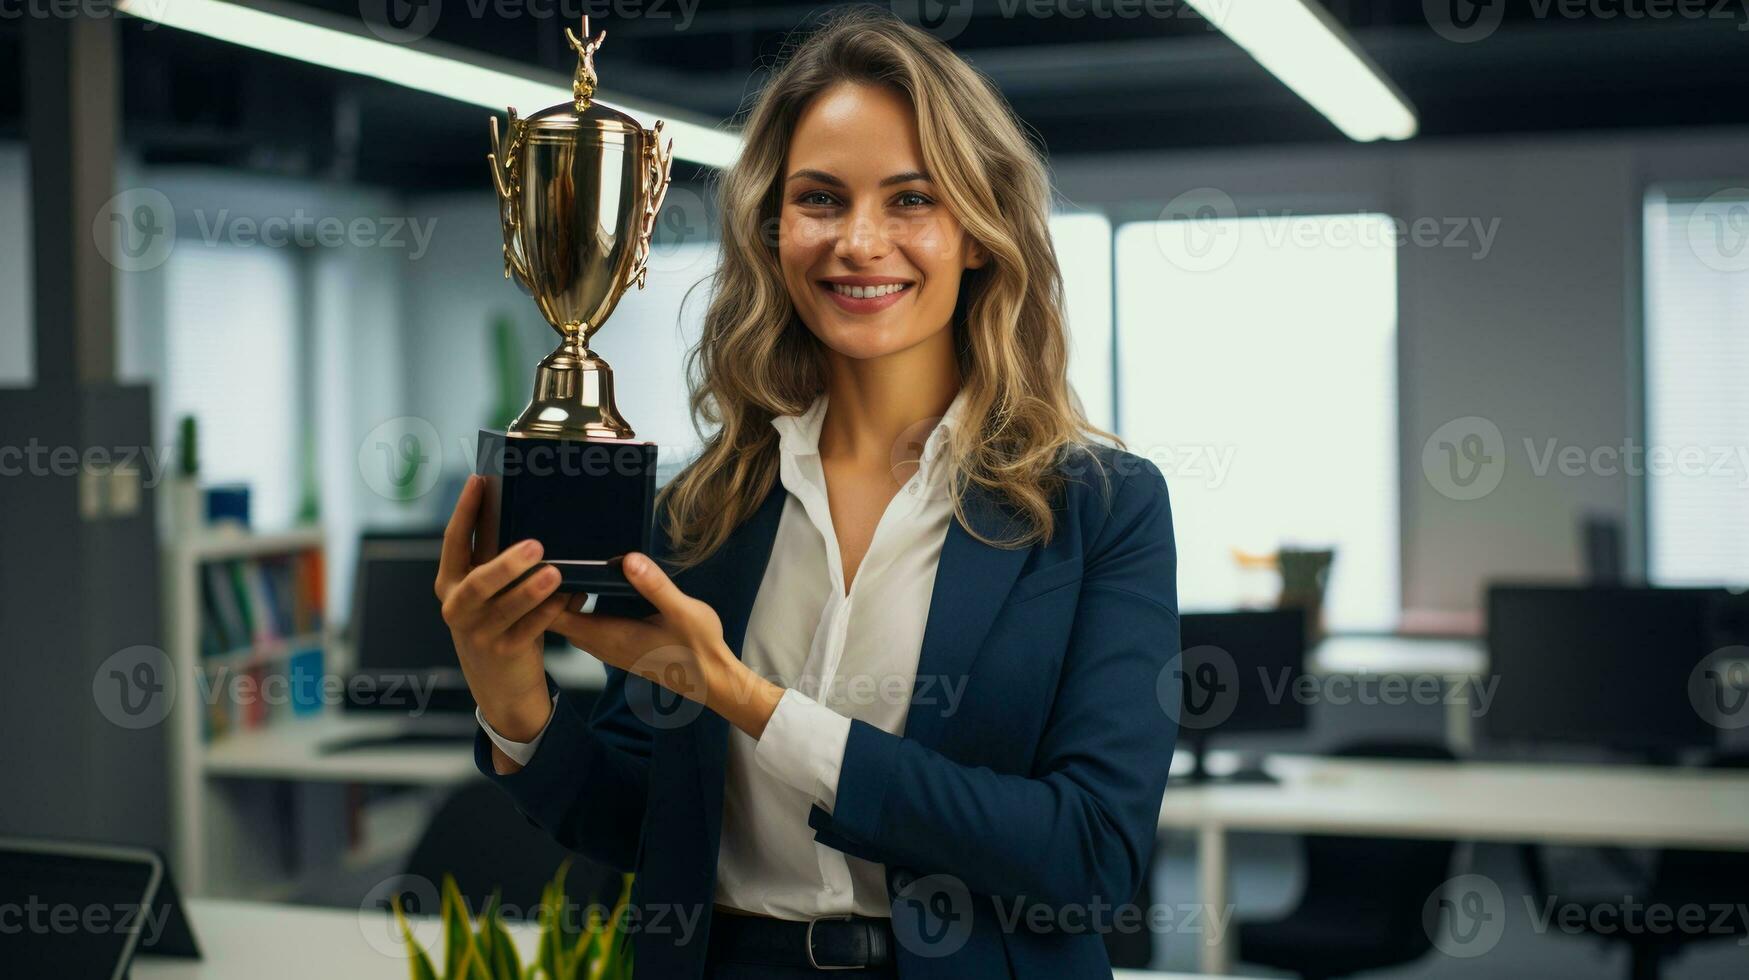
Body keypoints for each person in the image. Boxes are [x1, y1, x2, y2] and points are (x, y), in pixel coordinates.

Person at [435, 8, 1179, 977]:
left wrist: (748, 700)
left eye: (911, 199)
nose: (859, 242)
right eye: (821, 199)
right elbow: (642, 822)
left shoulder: (1100, 508)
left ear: (980, 232)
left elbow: (1089, 856)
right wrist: (513, 700)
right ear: (774, 229)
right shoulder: (700, 508)